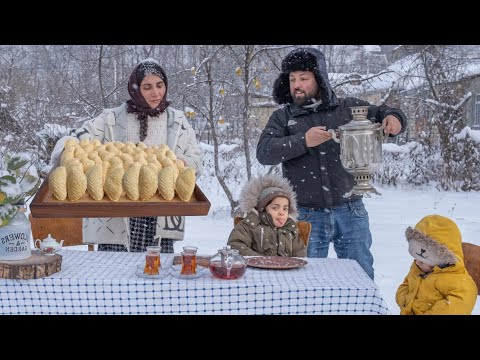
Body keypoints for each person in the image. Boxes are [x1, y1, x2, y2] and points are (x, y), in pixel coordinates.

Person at [256, 47, 408, 280]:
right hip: (306, 214)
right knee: (305, 278)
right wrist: (303, 140)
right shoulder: (283, 117)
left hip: (350, 210)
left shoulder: (347, 109)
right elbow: (264, 152)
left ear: (320, 79)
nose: (297, 84)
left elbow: (385, 112)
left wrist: (395, 118)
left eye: (304, 79)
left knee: (361, 276)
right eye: (292, 79)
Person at [50, 58, 203, 253]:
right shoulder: (111, 119)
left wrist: (182, 163)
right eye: (147, 87)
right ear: (136, 89)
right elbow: (76, 138)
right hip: (117, 209)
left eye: (160, 85)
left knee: (157, 270)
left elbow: (196, 159)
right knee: (114, 272)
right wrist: (69, 153)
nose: (156, 93)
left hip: (160, 209)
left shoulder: (178, 122)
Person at [396, 214, 477, 315]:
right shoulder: (419, 267)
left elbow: (456, 306)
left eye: (421, 260)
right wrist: (405, 301)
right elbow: (406, 284)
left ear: (440, 259)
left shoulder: (459, 281)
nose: (416, 262)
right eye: (415, 258)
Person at [227, 173, 306, 257]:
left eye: (285, 208)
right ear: (263, 209)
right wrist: (261, 260)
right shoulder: (249, 226)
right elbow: (235, 245)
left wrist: (291, 263)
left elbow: (300, 254)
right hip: (256, 269)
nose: (281, 212)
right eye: (275, 208)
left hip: (284, 269)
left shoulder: (290, 229)